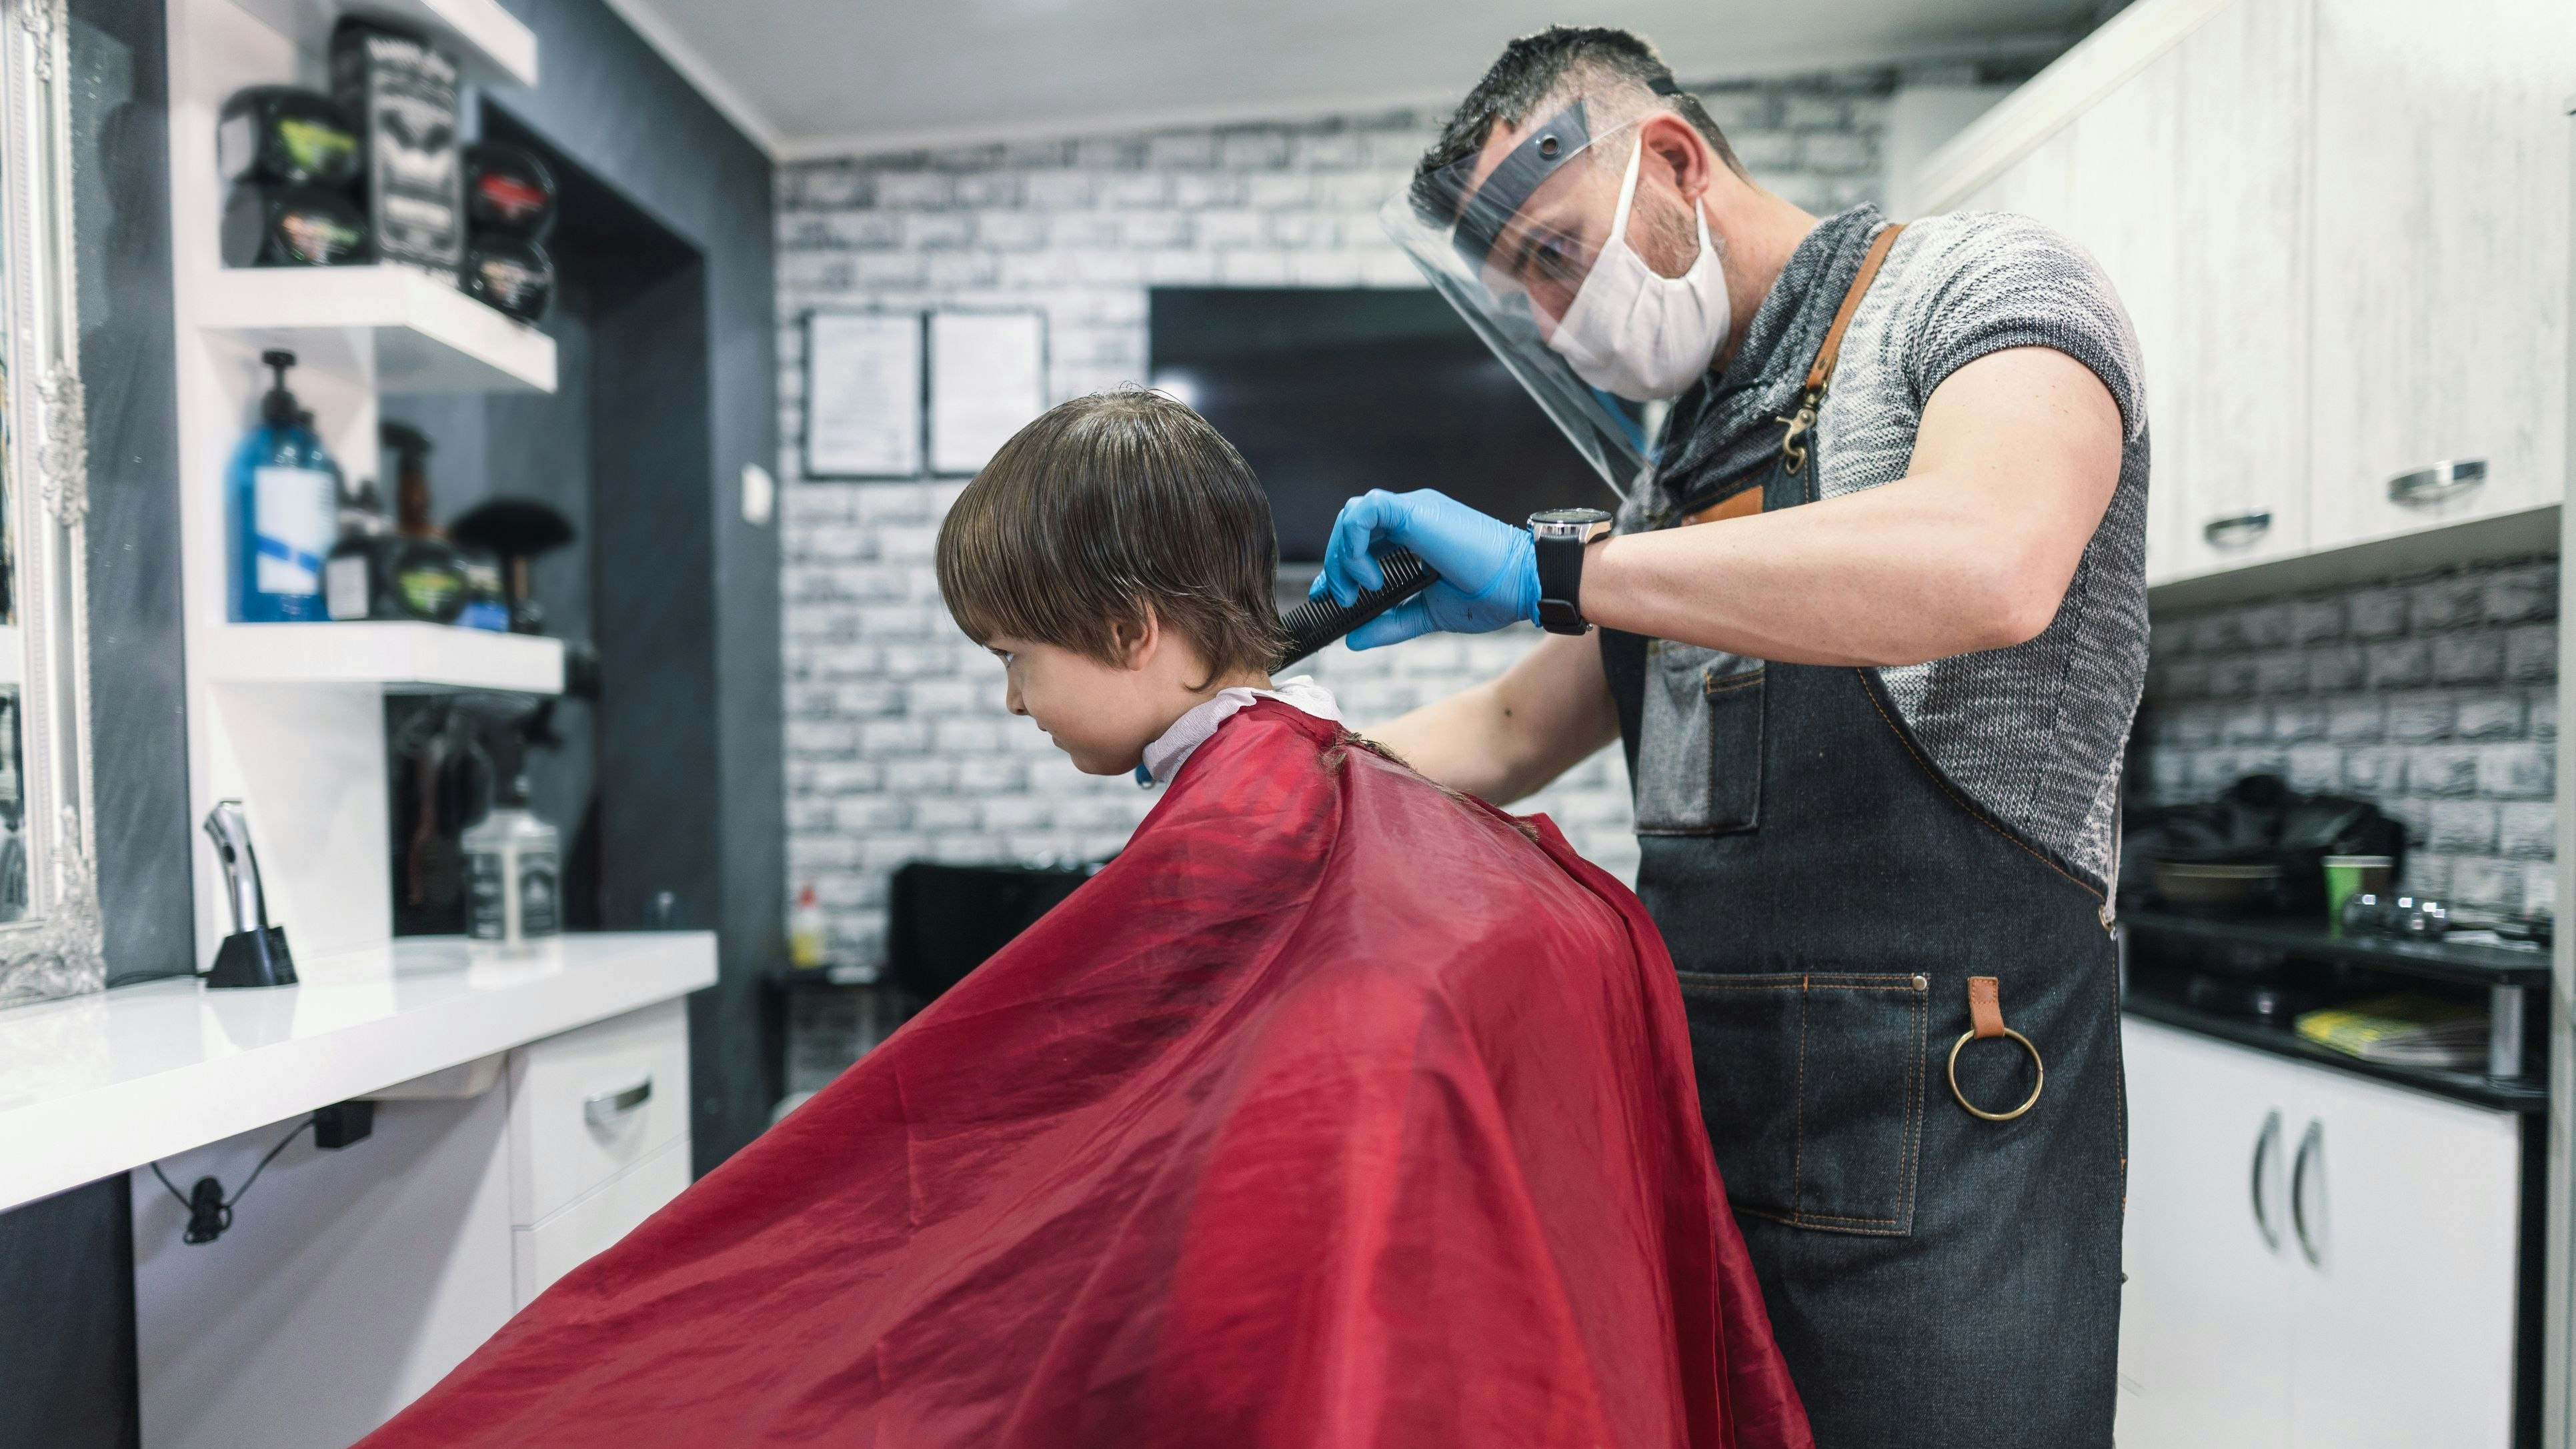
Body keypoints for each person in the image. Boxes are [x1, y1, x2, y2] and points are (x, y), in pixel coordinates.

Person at [352, 389, 1812, 1449]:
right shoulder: (1342, 806)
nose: (1011, 702)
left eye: (1015, 658)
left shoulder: (1286, 823)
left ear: (1127, 632)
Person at [1312, 27, 2147, 1449]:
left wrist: (1559, 571)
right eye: (1521, 285)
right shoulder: (1676, 457)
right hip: (1711, 1120)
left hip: (1948, 1133)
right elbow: (1525, 722)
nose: (1556, 313)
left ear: (1677, 163)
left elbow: (1994, 559)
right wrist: (1269, 755)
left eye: (1559, 253)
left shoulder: (1984, 289)